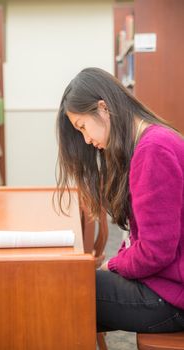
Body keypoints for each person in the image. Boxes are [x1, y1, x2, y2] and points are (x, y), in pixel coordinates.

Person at [55, 67, 184, 333]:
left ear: (103, 108)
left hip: (172, 296)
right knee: (67, 301)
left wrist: (113, 264)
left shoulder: (153, 150)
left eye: (82, 127)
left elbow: (154, 252)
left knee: (62, 290)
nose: (87, 140)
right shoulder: (151, 141)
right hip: (168, 283)